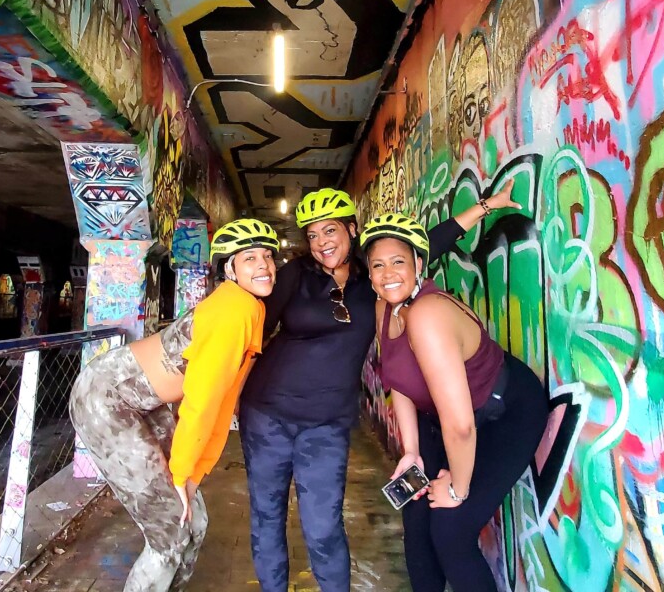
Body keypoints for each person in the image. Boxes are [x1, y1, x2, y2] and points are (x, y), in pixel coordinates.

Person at [238, 186, 517, 592]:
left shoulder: (373, 280)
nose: (321, 242)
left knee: (323, 529)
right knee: (266, 519)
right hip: (267, 416)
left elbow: (428, 243)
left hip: (327, 424)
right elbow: (252, 329)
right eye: (312, 235)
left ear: (352, 229)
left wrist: (484, 207)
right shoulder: (296, 274)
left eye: (330, 230)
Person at [67, 218, 279, 591]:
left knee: (193, 520)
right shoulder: (233, 310)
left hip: (140, 404)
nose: (264, 265)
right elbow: (202, 402)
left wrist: (196, 472)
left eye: (267, 256)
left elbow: (223, 401)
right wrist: (181, 474)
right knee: (169, 534)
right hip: (106, 398)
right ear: (230, 269)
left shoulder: (251, 308)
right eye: (250, 258)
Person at [362, 213, 549, 592]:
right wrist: (411, 452)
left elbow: (461, 426)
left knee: (451, 528)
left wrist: (457, 489)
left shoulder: (428, 315)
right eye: (378, 265)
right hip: (446, 416)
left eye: (398, 261)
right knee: (416, 513)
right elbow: (399, 382)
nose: (388, 274)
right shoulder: (384, 307)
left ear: (419, 264)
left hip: (504, 411)